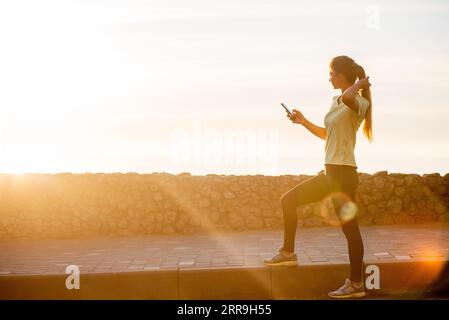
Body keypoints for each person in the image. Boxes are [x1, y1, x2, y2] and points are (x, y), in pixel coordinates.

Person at [264, 55, 373, 299]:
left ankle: (356, 283)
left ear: (344, 75)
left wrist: (360, 84)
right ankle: (288, 253)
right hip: (331, 173)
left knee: (350, 229)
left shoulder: (360, 103)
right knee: (288, 200)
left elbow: (348, 97)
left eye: (332, 73)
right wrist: (303, 122)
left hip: (344, 174)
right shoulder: (336, 101)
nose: (329, 77)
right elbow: (328, 134)